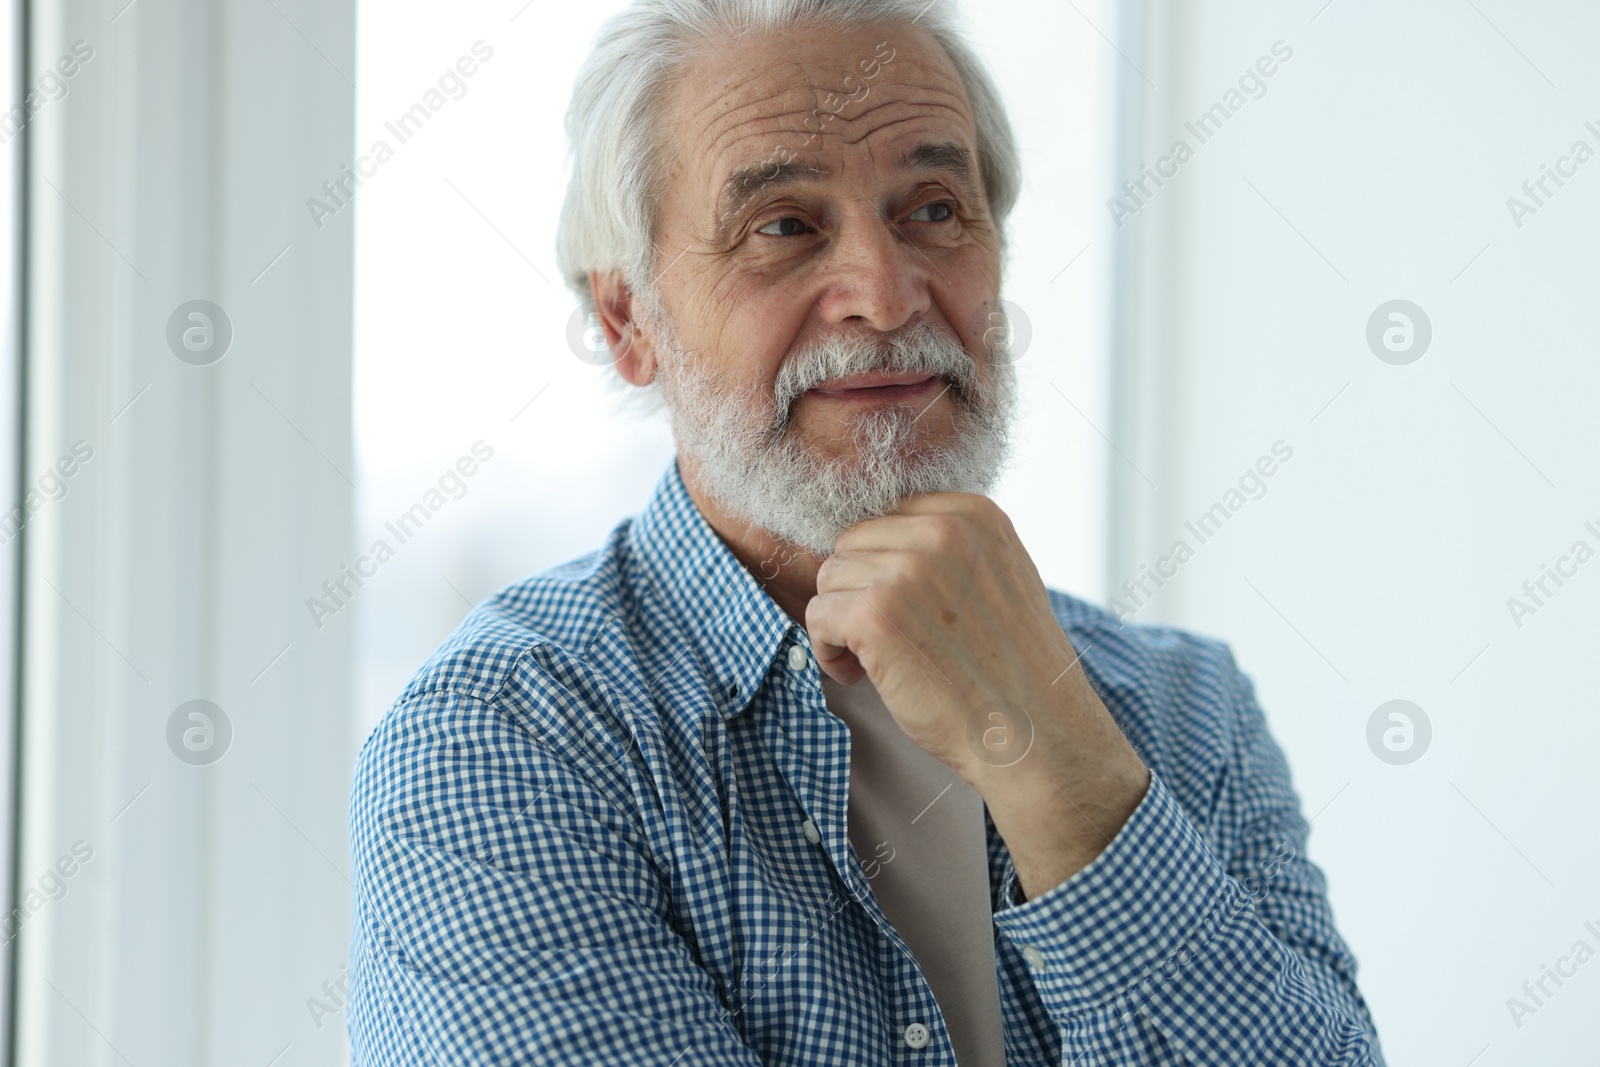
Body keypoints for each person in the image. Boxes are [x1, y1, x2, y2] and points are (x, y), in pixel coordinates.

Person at [347, 1, 1386, 1062]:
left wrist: (1047, 751)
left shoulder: (1186, 708)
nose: (887, 297)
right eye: (784, 225)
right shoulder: (504, 739)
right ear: (628, 323)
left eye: (933, 208)